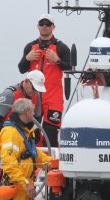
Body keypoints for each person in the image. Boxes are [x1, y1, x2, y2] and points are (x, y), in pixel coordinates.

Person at [0, 98, 55, 200]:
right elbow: (9, 163)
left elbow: (35, 155)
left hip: (25, 189)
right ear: (25, 112)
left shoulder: (23, 132)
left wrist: (55, 163)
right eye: (32, 110)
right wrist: (25, 183)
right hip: (17, 187)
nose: (34, 113)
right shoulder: (10, 133)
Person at [18, 14, 71, 147]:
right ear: (37, 26)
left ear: (53, 27)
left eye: (48, 24)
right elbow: (21, 69)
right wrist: (27, 59)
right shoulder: (30, 47)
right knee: (30, 133)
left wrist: (57, 60)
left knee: (51, 133)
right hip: (33, 98)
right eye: (42, 24)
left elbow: (70, 67)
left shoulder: (61, 47)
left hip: (53, 98)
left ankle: (52, 163)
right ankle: (32, 164)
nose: (44, 26)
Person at [0, 70, 46, 137]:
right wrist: (14, 134)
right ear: (26, 81)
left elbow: (36, 120)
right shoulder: (9, 94)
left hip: (25, 138)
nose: (35, 92)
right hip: (7, 137)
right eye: (34, 88)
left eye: (38, 89)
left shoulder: (37, 95)